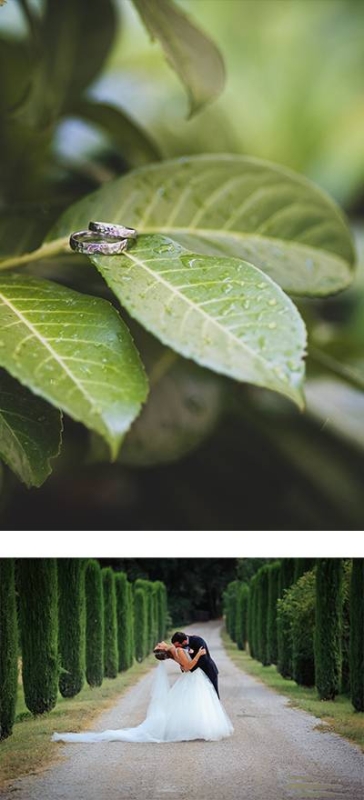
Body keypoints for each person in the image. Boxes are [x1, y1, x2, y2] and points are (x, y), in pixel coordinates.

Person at [52, 642, 233, 744]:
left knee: (189, 706)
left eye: (158, 644)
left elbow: (184, 668)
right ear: (164, 649)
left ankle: (196, 728)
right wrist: (199, 655)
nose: (159, 643)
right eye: (159, 645)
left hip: (190, 679)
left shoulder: (175, 650)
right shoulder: (175, 650)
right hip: (192, 678)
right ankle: (197, 729)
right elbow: (187, 667)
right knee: (192, 705)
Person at [170, 630, 220, 698]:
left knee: (213, 695)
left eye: (177, 645)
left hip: (208, 670)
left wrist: (189, 668)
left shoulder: (198, 641)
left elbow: (203, 659)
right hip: (195, 675)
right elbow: (184, 659)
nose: (177, 648)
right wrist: (183, 666)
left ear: (184, 642)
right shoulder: (181, 647)